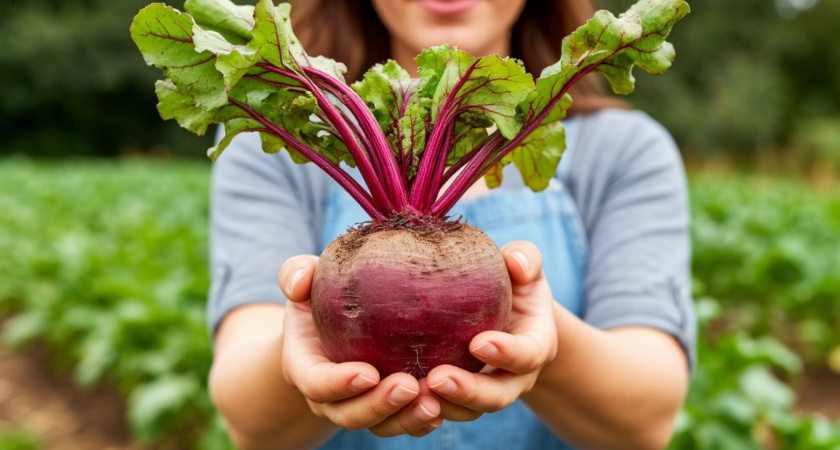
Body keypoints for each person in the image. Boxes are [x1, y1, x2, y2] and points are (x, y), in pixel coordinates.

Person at [206, 0, 696, 449]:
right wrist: (301, 356)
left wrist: (539, 341)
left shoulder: (623, 151)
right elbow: (248, 425)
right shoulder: (277, 149)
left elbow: (648, 422)